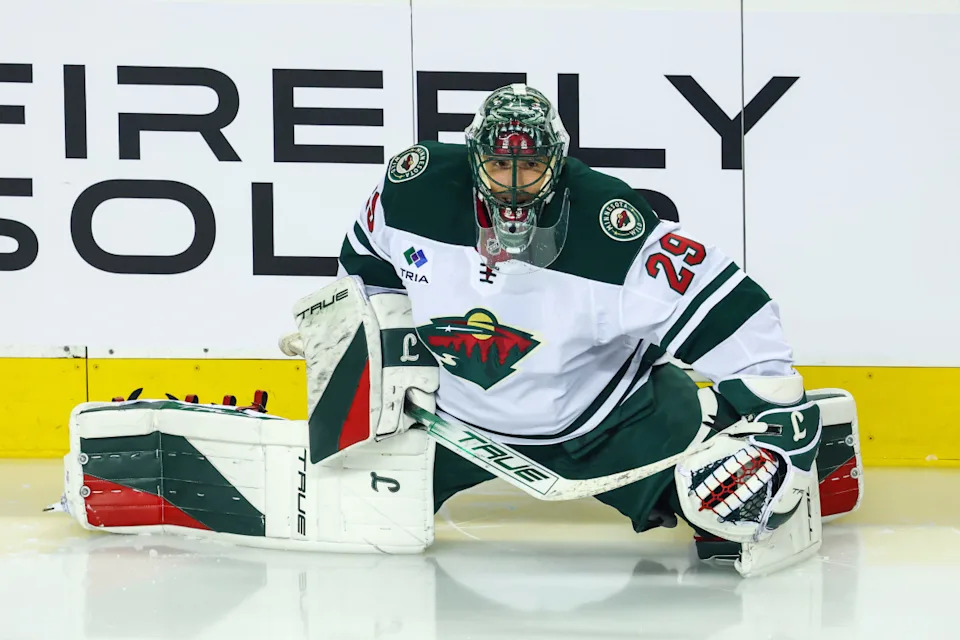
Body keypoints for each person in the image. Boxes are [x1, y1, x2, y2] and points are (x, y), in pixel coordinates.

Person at [335, 83, 841, 572]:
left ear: (557, 162)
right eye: (498, 165)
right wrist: (378, 340)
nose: (513, 183)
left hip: (604, 422)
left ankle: (719, 442)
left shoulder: (611, 226)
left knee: (721, 503)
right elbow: (367, 262)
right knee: (350, 513)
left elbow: (732, 307)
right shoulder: (413, 189)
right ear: (474, 160)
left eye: (530, 165)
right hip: (452, 422)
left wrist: (778, 416)